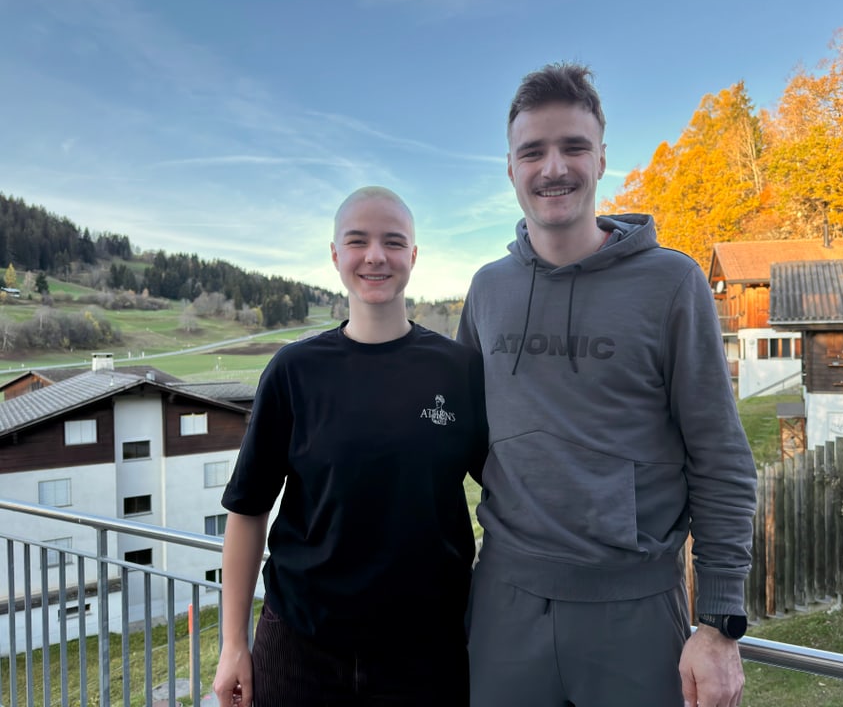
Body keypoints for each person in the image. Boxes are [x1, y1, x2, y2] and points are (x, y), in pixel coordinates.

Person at [457, 62, 758, 707]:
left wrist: (720, 622)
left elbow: (721, 455)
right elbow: (452, 437)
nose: (553, 167)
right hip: (504, 601)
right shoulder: (487, 289)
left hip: (637, 610)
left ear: (601, 159)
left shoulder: (672, 284)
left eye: (573, 147)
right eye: (532, 151)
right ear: (510, 167)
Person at [213, 186, 487, 707]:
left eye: (393, 241)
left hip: (427, 652)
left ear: (413, 255)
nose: (376, 256)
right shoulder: (293, 371)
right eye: (358, 241)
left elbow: (508, 491)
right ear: (336, 255)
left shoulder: (459, 370)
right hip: (300, 646)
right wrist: (232, 644)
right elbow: (247, 510)